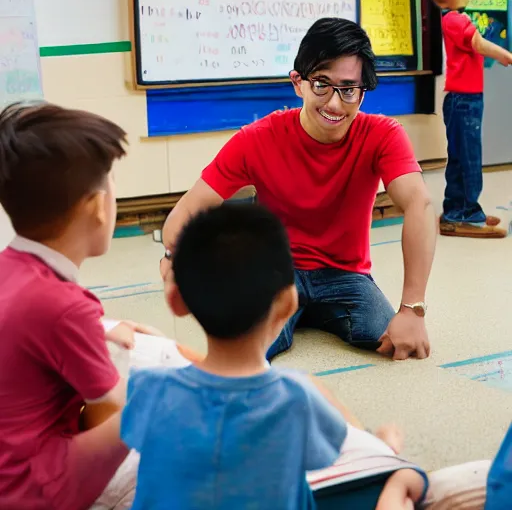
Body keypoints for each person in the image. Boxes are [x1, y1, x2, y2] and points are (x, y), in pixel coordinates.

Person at [159, 18, 436, 362]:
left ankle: (314, 314)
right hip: (277, 271)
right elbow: (187, 210)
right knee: (247, 349)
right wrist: (174, 258)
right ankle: (290, 316)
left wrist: (412, 310)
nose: (335, 104)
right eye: (321, 84)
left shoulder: (383, 135)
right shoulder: (257, 138)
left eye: (348, 89)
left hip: (347, 277)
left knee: (391, 340)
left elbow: (420, 206)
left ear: (362, 91)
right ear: (298, 83)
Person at [122, 204, 430, 509]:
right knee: (408, 480)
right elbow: (339, 461)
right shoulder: (298, 398)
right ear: (287, 304)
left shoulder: (148, 389)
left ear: (176, 302)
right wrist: (386, 449)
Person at [0, 102, 147, 510]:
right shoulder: (66, 306)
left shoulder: (10, 267)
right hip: (36, 488)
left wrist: (103, 327)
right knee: (162, 402)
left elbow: (23, 323)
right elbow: (113, 408)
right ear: (97, 207)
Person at [432, 0, 512, 238]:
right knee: (469, 159)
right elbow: (478, 44)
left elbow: (477, 42)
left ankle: (457, 210)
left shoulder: (458, 18)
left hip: (466, 100)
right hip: (463, 101)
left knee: (461, 157)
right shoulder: (454, 19)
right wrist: (505, 55)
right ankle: (466, 213)